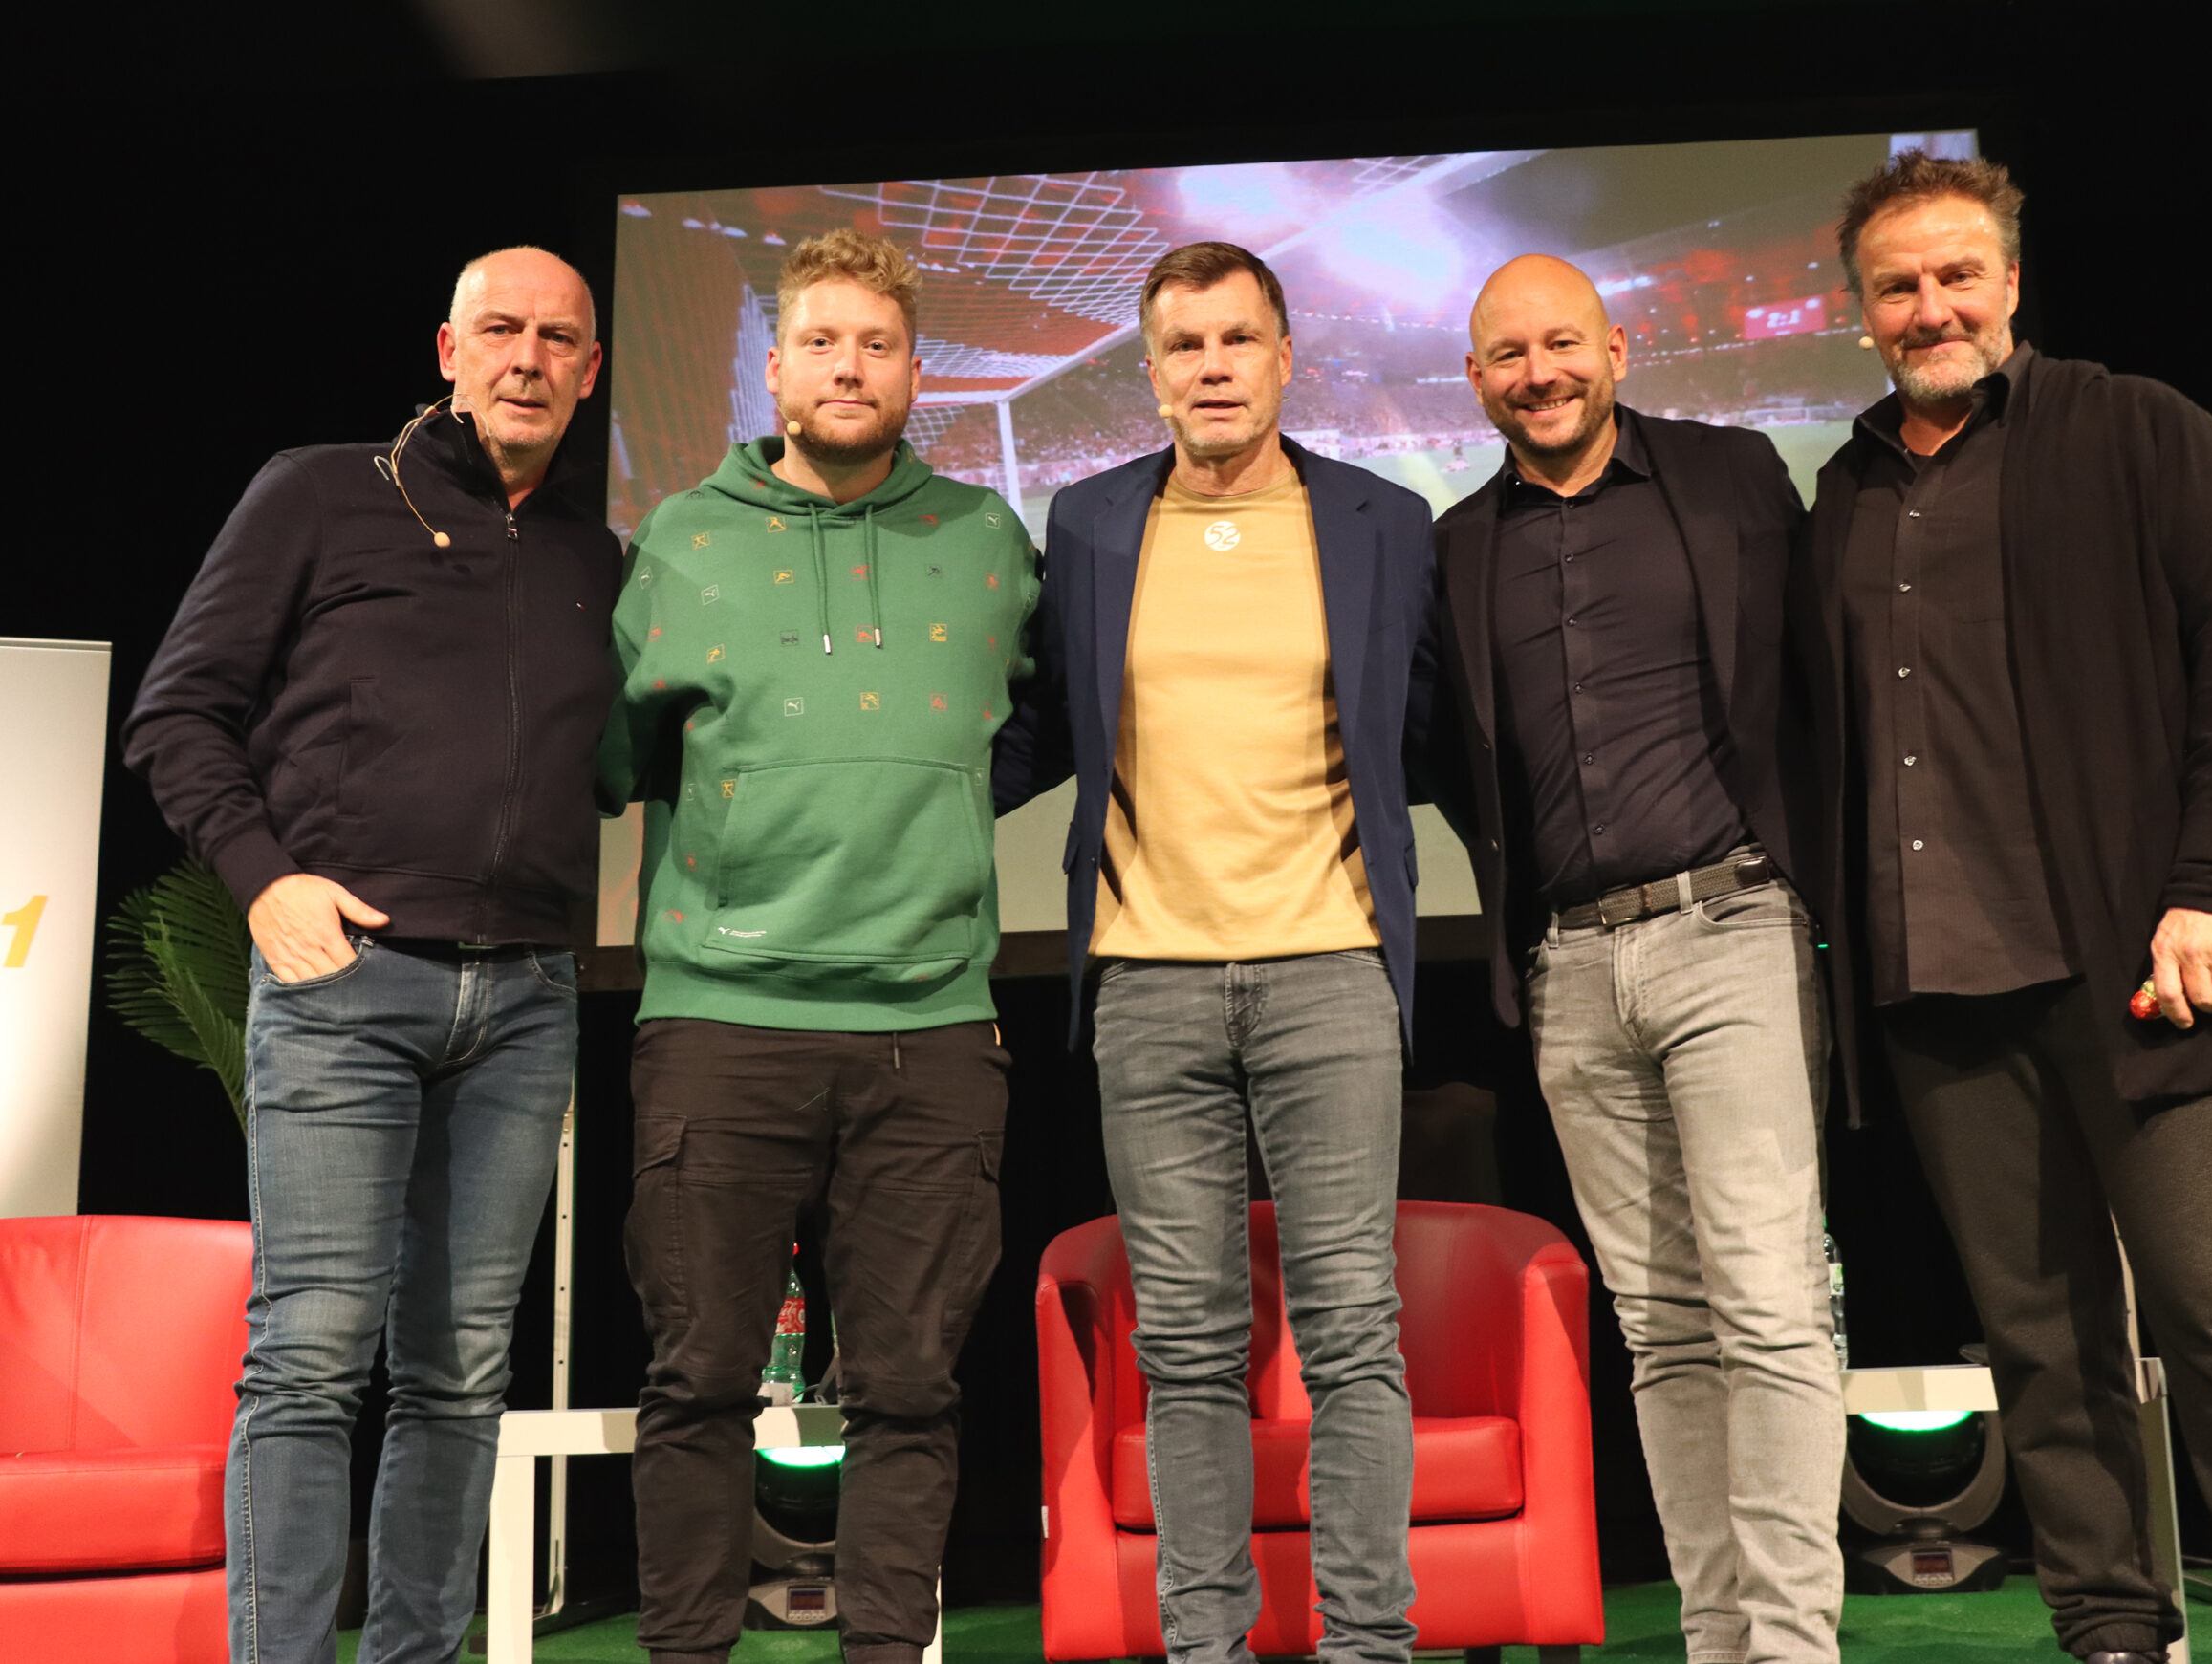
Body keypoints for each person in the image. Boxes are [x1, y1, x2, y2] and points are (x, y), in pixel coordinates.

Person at [1791, 150, 2212, 1664]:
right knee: (2044, 1348)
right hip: (1941, 987)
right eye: (1898, 286)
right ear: (1861, 309)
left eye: (1956, 273)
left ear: (2009, 277)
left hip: (2150, 966)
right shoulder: (1846, 490)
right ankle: (2112, 1628)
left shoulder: (2136, 428)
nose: (1931, 307)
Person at [124, 247, 617, 1664]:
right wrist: (267, 882)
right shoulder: (322, 492)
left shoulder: (593, 558)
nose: (528, 358)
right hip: (350, 987)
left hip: (525, 998)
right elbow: (178, 712)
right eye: (502, 330)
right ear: (449, 349)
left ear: (591, 372)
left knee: (459, 1376)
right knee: (311, 1358)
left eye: (559, 339)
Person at [993, 242, 1439, 1664]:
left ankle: (1369, 1646)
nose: (1214, 367)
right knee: (1184, 1348)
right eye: (1185, 346)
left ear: (1285, 355)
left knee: (1353, 1333)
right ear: (1151, 371)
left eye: (1238, 339)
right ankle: (1205, 1646)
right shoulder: (1089, 523)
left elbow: (1429, 725)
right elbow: (1043, 729)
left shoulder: (1381, 520)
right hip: (1149, 980)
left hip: (1332, 970)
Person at [600, 227, 1039, 1664]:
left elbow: (1040, 722)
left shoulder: (988, 542)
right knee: (699, 1381)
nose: (849, 367)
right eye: (821, 342)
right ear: (776, 368)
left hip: (931, 1026)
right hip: (718, 1020)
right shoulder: (681, 538)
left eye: (878, 345)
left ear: (915, 373)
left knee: (910, 1389)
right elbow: (614, 754)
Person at [1426, 254, 1843, 1664]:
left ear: (1616, 349)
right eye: (1506, 355)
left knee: (1769, 1304)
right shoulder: (1457, 545)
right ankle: (1719, 1640)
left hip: (1733, 931)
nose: (1537, 373)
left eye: (1561, 343)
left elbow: (1821, 674)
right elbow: (1456, 757)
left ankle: (1792, 1645)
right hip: (1569, 969)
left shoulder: (1733, 480)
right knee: (1662, 1328)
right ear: (1475, 380)